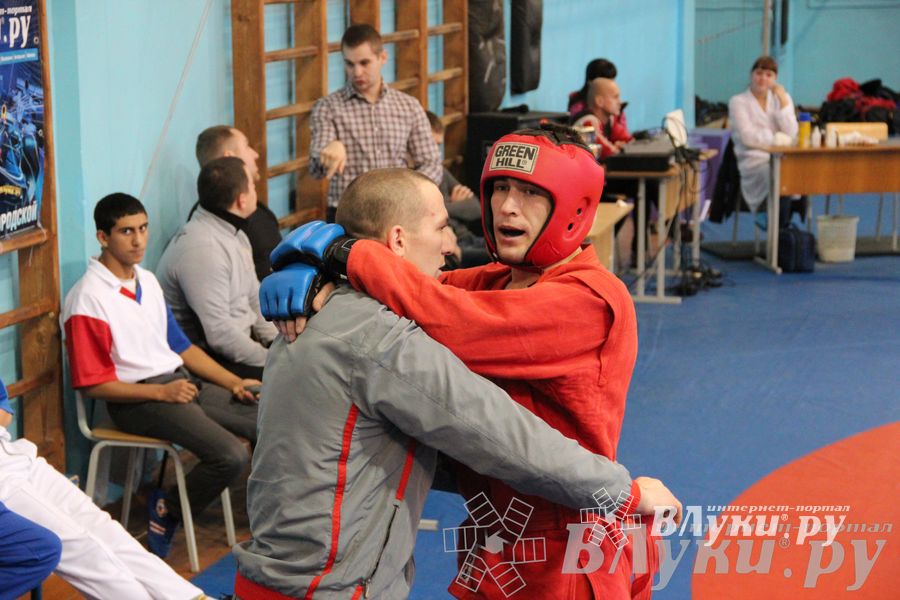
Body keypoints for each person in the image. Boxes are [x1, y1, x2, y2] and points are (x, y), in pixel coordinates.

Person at [261, 126, 670, 599]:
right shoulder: (502, 281)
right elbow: (419, 286)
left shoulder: (590, 300)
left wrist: (345, 251)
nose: (506, 207)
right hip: (497, 530)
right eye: (500, 187)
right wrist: (314, 271)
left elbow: (450, 320)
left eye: (530, 193)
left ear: (575, 206)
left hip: (566, 549)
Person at [61, 193, 261, 559]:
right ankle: (166, 507)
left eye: (143, 228)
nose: (138, 240)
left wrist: (233, 382)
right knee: (230, 455)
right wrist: (161, 395)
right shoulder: (87, 299)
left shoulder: (148, 281)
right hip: (137, 400)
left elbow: (182, 348)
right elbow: (93, 385)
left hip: (179, 383)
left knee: (267, 421)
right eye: (126, 232)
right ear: (103, 237)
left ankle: (271, 521)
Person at [0, 377, 207, 599]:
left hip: (15, 456)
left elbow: (5, 413)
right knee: (80, 546)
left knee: (104, 528)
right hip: (4, 482)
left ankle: (189, 596)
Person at [158, 157, 277, 380]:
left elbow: (254, 297)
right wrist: (272, 359)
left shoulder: (235, 233)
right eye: (252, 186)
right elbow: (219, 335)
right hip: (209, 362)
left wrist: (278, 343)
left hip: (239, 348)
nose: (255, 191)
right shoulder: (204, 250)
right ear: (242, 200)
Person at [309, 23, 442, 222]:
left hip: (398, 212)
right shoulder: (327, 107)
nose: (357, 72)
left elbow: (431, 163)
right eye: (349, 64)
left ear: (382, 58)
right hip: (348, 215)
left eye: (364, 63)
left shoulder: (408, 106)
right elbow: (316, 169)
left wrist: (404, 193)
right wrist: (329, 151)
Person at [194, 125, 282, 281]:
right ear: (230, 158)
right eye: (247, 146)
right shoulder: (215, 229)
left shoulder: (204, 210)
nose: (255, 154)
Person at [728, 55, 799, 218]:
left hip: (782, 158)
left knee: (793, 173)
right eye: (759, 73)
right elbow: (748, 137)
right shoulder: (738, 102)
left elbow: (792, 132)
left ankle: (782, 227)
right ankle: (775, 224)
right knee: (778, 176)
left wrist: (783, 101)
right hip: (754, 160)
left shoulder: (782, 99)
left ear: (775, 79)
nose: (763, 79)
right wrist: (779, 139)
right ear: (751, 75)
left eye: (769, 75)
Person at [425, 110, 490, 268]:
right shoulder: (408, 180)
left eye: (439, 146)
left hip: (469, 238)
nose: (436, 153)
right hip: (454, 248)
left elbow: (475, 208)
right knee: (508, 258)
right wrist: (455, 205)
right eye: (431, 145)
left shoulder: (440, 171)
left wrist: (441, 207)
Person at [572, 78, 633, 159]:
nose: (620, 102)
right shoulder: (588, 121)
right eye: (615, 97)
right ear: (599, 101)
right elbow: (608, 152)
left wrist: (622, 145)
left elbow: (631, 142)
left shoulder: (610, 119)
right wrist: (620, 148)